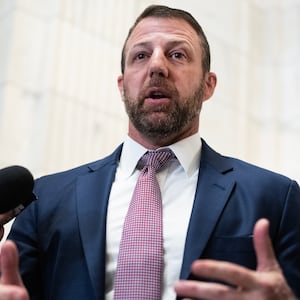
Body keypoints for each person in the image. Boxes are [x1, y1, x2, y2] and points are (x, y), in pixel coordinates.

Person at [0, 4, 299, 300]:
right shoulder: (46, 199)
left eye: (177, 54)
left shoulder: (276, 198)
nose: (157, 66)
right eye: (141, 56)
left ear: (208, 85)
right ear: (122, 86)